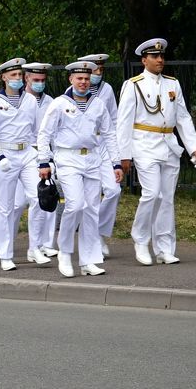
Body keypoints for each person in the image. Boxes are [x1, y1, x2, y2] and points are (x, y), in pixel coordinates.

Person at [117, 38, 196, 265]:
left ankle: (164, 247)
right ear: (144, 60)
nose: (160, 60)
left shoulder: (172, 84)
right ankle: (140, 239)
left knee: (166, 198)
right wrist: (123, 155)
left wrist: (195, 148)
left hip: (168, 144)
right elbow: (124, 122)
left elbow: (183, 118)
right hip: (144, 144)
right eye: (155, 57)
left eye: (162, 56)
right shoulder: (134, 84)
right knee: (151, 193)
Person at [38, 61, 122, 277]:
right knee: (75, 205)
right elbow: (45, 133)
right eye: (80, 78)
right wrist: (44, 161)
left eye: (87, 78)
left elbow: (109, 134)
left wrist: (116, 162)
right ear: (71, 80)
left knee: (91, 210)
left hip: (92, 159)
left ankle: (88, 260)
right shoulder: (59, 103)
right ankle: (65, 253)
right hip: (68, 158)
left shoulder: (97, 104)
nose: (84, 82)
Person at [0, 58, 43, 271]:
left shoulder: (29, 100)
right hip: (5, 154)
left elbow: (37, 131)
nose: (17, 79)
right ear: (4, 77)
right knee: (5, 207)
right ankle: (6, 254)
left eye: (20, 75)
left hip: (27, 153)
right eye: (13, 75)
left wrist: (42, 155)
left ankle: (35, 247)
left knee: (38, 198)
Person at [77, 53, 123, 257]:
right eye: (94, 70)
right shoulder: (73, 92)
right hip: (86, 146)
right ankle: (92, 238)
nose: (97, 74)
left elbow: (114, 119)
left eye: (101, 70)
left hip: (103, 144)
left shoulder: (107, 89)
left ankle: (100, 231)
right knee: (90, 197)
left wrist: (117, 154)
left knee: (113, 190)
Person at [21, 62, 59, 260]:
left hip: (45, 154)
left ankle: (45, 244)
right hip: (26, 154)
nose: (40, 84)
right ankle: (3, 243)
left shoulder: (50, 101)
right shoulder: (21, 100)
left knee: (47, 198)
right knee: (18, 204)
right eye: (36, 80)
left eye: (43, 80)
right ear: (26, 78)